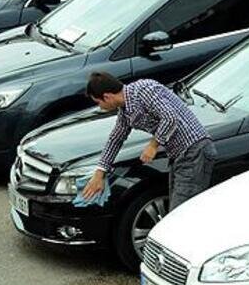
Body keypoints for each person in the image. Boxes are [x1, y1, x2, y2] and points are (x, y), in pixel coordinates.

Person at [82, 72, 216, 210]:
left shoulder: (144, 90)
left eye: (98, 102)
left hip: (194, 150)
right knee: (178, 211)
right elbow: (115, 139)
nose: (100, 107)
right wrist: (99, 173)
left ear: (107, 97)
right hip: (179, 156)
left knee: (181, 212)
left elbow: (170, 118)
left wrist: (153, 145)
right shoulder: (125, 111)